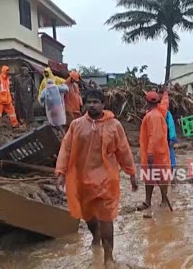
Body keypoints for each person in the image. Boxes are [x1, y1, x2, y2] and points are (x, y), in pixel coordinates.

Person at [55, 89, 138, 268]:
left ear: (103, 104)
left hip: (106, 180)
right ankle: (95, 237)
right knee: (89, 216)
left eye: (95, 102)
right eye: (89, 102)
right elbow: (66, 149)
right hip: (82, 179)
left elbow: (123, 150)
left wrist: (131, 173)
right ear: (84, 104)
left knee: (106, 217)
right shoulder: (76, 125)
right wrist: (61, 173)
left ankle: (108, 257)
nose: (92, 105)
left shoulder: (114, 126)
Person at [137, 88, 170, 211]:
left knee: (156, 176)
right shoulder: (159, 112)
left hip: (154, 152)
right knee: (156, 176)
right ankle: (154, 201)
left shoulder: (153, 116)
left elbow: (154, 135)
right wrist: (166, 94)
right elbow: (166, 102)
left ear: (146, 102)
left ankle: (157, 201)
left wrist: (150, 152)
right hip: (159, 151)